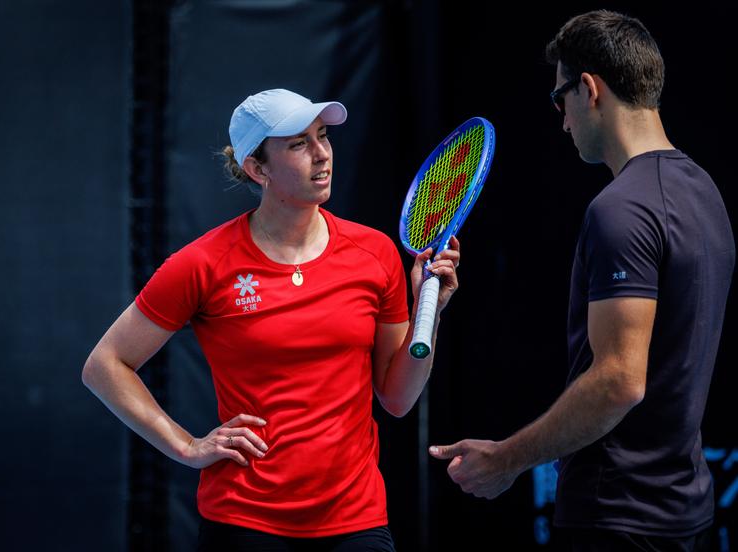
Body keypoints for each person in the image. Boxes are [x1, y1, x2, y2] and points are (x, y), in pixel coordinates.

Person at [82, 88, 460, 551]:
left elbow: (398, 398)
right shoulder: (203, 263)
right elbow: (105, 365)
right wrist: (186, 446)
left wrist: (429, 312)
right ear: (257, 169)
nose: (322, 154)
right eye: (299, 144)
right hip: (244, 520)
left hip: (356, 518)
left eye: (323, 136)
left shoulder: (374, 252)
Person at [428, 10, 734, 552]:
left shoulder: (620, 209)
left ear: (589, 89)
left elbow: (619, 381)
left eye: (559, 99)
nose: (563, 122)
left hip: (616, 516)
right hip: (685, 514)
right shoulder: (705, 190)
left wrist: (506, 459)